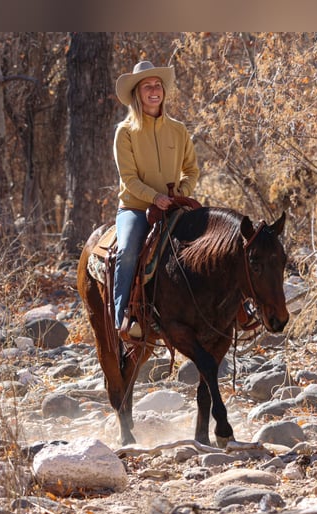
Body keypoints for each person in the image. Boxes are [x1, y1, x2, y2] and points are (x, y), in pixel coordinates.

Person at [113, 60, 199, 340]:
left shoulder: (178, 129)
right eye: (147, 86)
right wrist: (154, 197)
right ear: (137, 93)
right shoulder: (125, 132)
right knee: (127, 251)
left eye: (158, 85)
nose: (154, 90)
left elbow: (191, 169)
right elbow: (129, 178)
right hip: (136, 208)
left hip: (174, 206)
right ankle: (122, 316)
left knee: (212, 244)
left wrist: (182, 193)